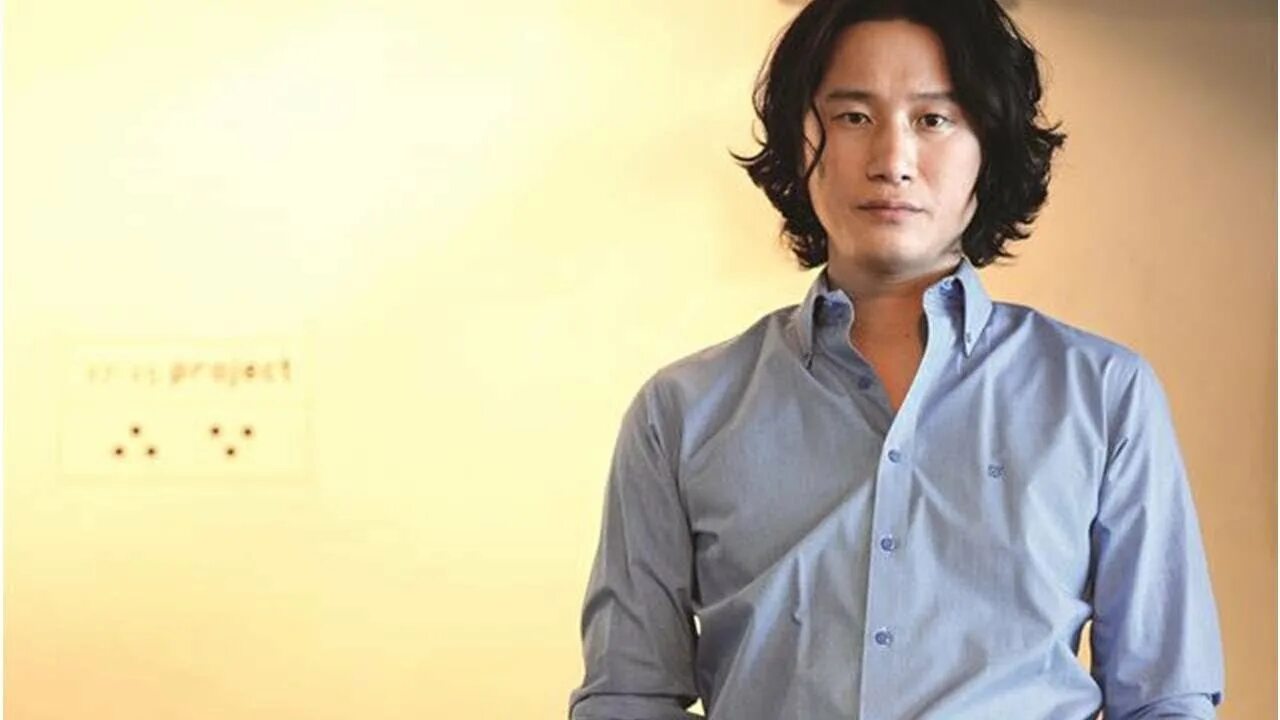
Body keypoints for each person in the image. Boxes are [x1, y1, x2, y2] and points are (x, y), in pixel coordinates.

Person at [567, 0, 1226, 717]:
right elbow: (628, 696)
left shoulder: (1104, 394)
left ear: (989, 146)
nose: (891, 162)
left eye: (933, 119)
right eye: (853, 117)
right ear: (798, 139)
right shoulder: (679, 414)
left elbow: (1165, 700)